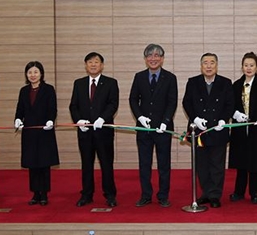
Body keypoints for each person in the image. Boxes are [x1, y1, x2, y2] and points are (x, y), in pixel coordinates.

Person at [129, 44, 178, 208]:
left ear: (162, 59)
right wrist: (140, 117)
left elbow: (172, 102)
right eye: (150, 56)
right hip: (144, 128)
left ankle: (163, 195)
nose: (153, 58)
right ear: (145, 59)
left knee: (164, 163)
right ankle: (146, 195)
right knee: (144, 163)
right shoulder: (139, 76)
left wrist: (165, 121)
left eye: (157, 55)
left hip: (163, 128)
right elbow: (133, 99)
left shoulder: (170, 78)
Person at [182, 53, 234, 208]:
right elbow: (187, 102)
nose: (209, 66)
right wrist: (195, 118)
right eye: (205, 63)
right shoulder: (193, 82)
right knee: (202, 165)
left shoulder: (225, 82)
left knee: (217, 165)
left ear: (217, 65)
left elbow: (230, 104)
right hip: (199, 131)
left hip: (218, 129)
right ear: (201, 65)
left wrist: (223, 120)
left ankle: (215, 195)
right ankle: (206, 193)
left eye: (212, 62)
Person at [69, 52, 119, 207]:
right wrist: (79, 121)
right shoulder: (79, 83)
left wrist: (102, 119)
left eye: (96, 62)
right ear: (85, 65)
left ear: (102, 65)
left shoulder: (111, 83)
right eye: (89, 62)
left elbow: (113, 104)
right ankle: (87, 194)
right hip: (85, 132)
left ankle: (110, 195)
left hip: (103, 131)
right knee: (86, 164)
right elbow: (73, 106)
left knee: (106, 163)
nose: (93, 64)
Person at [14, 61, 59, 206]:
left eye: (35, 72)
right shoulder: (23, 90)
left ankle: (44, 194)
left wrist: (50, 120)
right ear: (26, 75)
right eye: (30, 72)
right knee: (32, 164)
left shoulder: (48, 89)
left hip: (44, 131)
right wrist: (17, 120)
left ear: (41, 73)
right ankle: (35, 194)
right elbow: (20, 109)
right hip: (29, 132)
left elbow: (53, 109)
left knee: (44, 164)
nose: (32, 75)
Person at [228, 52, 257, 205]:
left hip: (256, 128)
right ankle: (239, 192)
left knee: (255, 162)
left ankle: (254, 193)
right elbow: (230, 104)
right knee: (241, 162)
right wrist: (235, 113)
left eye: (251, 65)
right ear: (242, 67)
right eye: (246, 65)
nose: (248, 68)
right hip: (240, 128)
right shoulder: (236, 85)